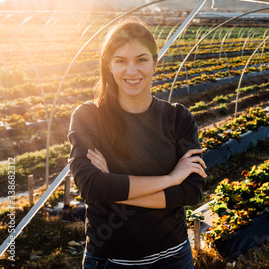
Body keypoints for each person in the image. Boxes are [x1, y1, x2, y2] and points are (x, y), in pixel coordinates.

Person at [68, 19, 207, 269]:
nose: (132, 71)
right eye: (121, 61)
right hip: (110, 260)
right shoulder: (89, 117)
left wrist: (113, 184)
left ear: (155, 63)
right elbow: (92, 187)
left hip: (174, 258)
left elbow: (191, 191)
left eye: (141, 60)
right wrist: (171, 179)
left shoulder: (178, 118)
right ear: (109, 65)